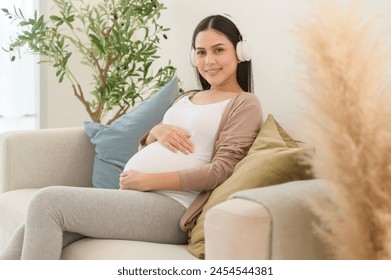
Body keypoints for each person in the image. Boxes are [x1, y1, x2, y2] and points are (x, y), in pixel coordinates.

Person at [0, 14, 262, 260]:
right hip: (139, 197)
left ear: (240, 53)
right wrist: (153, 134)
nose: (209, 61)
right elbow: (148, 147)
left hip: (174, 207)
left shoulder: (244, 104)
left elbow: (222, 170)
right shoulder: (187, 97)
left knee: (48, 201)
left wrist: (148, 180)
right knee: (33, 226)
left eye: (219, 50)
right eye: (201, 52)